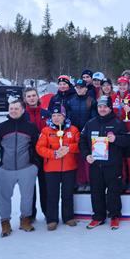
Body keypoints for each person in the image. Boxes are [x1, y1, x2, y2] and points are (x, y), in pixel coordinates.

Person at [0, 98, 39, 237]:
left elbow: (36, 147)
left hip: (26, 168)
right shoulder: (1, 127)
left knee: (27, 197)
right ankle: (5, 223)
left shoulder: (31, 127)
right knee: (4, 197)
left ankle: (25, 220)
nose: (13, 111)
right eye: (11, 108)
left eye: (16, 108)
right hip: (5, 169)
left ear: (23, 110)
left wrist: (35, 164)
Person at [79, 96, 130, 230]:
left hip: (112, 165)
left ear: (110, 108)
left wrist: (116, 139)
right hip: (95, 164)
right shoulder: (90, 123)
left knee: (113, 192)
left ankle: (114, 216)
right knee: (96, 192)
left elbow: (128, 141)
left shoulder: (118, 123)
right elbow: (82, 141)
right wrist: (86, 155)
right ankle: (98, 217)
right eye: (100, 107)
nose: (102, 109)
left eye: (105, 107)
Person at [35, 102, 80, 230]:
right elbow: (39, 148)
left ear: (64, 116)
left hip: (69, 167)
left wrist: (68, 148)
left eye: (59, 115)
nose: (56, 118)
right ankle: (52, 219)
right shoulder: (46, 131)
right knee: (52, 195)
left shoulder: (73, 129)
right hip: (51, 169)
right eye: (53, 115)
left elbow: (80, 145)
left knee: (67, 194)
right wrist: (54, 153)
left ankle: (68, 217)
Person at [23, 87, 49, 220]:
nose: (32, 98)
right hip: (28, 155)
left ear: (38, 97)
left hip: (44, 156)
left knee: (45, 186)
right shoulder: (22, 115)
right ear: (25, 99)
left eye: (34, 95)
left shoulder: (46, 113)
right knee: (29, 187)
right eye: (29, 96)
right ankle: (30, 214)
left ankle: (47, 212)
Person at [67, 79, 97, 192]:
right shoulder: (71, 101)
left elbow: (93, 119)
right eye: (77, 88)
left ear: (86, 88)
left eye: (81, 87)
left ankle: (90, 182)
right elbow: (68, 118)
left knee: (87, 158)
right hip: (75, 133)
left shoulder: (91, 101)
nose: (79, 90)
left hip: (87, 134)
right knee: (78, 158)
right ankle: (80, 181)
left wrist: (87, 131)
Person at [112, 76, 130, 192]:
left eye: (125, 85)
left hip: (129, 131)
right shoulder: (113, 97)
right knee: (120, 158)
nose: (122, 87)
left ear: (128, 86)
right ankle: (122, 180)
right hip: (117, 132)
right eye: (120, 84)